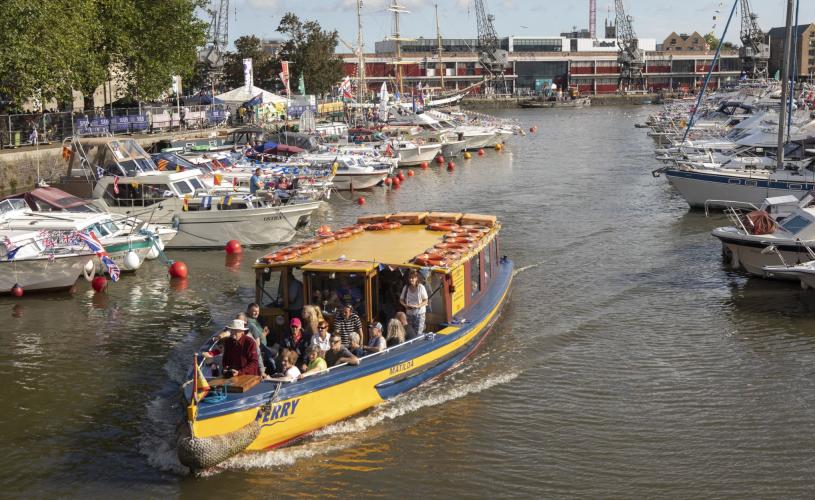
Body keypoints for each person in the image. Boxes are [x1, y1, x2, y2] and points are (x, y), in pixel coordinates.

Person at [400, 270, 428, 337]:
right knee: (410, 332)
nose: (411, 279)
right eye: (410, 278)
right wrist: (405, 305)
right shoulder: (406, 287)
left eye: (413, 278)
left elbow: (426, 300)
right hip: (409, 314)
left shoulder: (421, 287)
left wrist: (418, 306)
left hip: (419, 314)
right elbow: (401, 300)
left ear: (416, 278)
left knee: (418, 333)